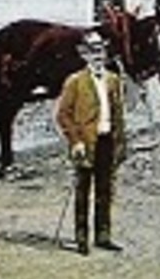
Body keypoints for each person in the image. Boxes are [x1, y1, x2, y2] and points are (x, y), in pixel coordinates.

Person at [54, 30, 127, 255]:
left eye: (100, 50)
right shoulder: (75, 81)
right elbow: (63, 115)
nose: (97, 55)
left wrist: (120, 142)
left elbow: (118, 113)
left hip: (106, 141)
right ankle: (81, 238)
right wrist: (75, 142)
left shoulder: (113, 80)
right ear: (84, 55)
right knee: (83, 191)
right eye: (92, 51)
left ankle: (103, 235)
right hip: (85, 143)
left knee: (105, 190)